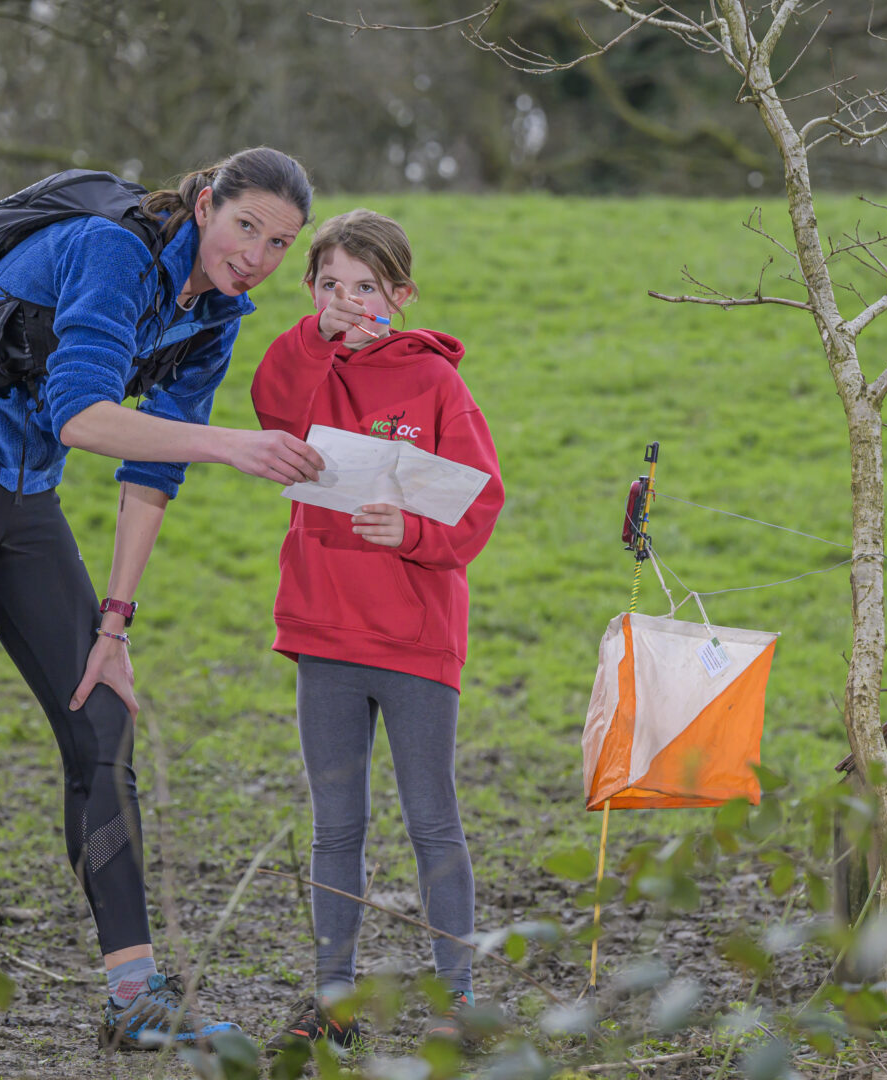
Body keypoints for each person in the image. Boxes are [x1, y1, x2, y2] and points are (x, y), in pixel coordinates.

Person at [0, 148, 322, 1071]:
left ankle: (135, 998)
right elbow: (82, 414)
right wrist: (235, 444)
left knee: (100, 719)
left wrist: (113, 623)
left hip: (23, 499)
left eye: (280, 243)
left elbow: (150, 472)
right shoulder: (112, 254)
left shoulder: (214, 316)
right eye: (246, 228)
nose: (258, 256)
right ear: (204, 206)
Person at [249, 208, 505, 1055]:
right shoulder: (308, 368)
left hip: (414, 638)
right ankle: (333, 996)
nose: (348, 301)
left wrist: (417, 535)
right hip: (322, 630)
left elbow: (478, 500)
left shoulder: (435, 384)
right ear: (311, 291)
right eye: (330, 285)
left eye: (365, 287)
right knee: (335, 826)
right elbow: (271, 406)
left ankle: (457, 996)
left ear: (400, 295)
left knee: (432, 818)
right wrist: (309, 338)